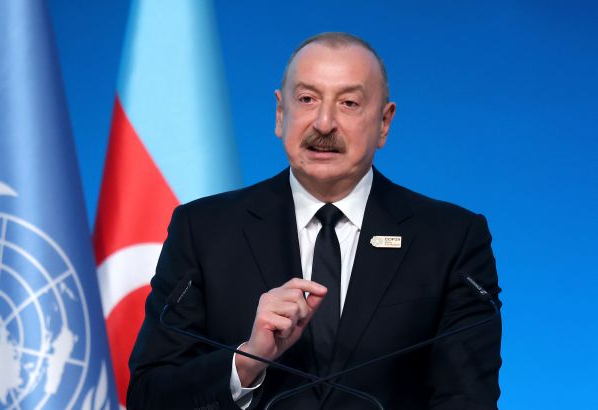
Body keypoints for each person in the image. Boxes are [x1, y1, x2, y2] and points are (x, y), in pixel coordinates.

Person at [127, 32, 502, 409]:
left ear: (384, 122)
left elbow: (468, 399)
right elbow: (148, 395)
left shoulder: (450, 240)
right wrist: (245, 362)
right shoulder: (203, 230)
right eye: (307, 99)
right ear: (280, 113)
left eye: (349, 103)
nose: (323, 124)